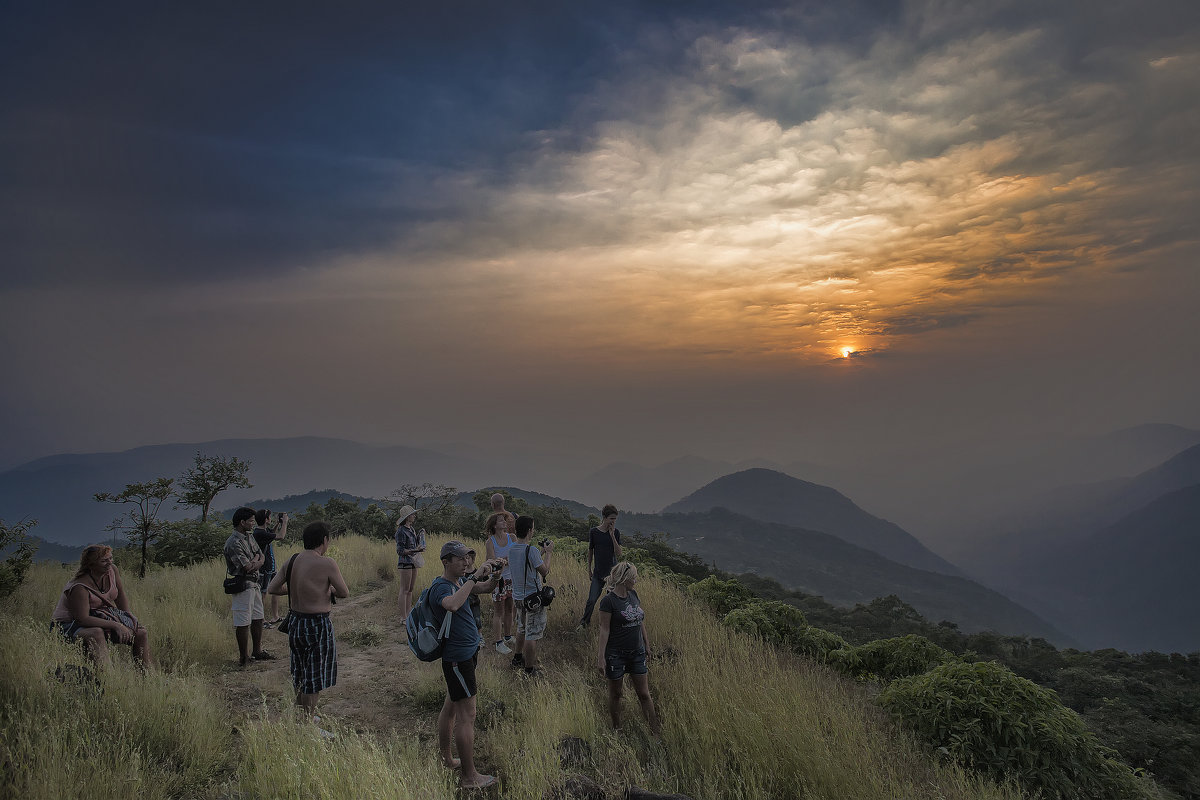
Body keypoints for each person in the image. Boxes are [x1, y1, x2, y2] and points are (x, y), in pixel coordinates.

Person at [431, 540, 499, 790]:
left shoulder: (458, 582)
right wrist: (473, 577)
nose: (467, 562)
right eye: (460, 558)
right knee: (467, 715)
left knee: (451, 707)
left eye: (469, 558)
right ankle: (470, 778)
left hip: (466, 653)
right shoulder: (441, 587)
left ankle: (447, 759)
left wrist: (495, 574)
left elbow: (485, 587)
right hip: (458, 659)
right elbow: (452, 604)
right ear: (446, 561)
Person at [266, 520, 349, 720]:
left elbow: (273, 588)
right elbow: (344, 592)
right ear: (324, 540)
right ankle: (308, 724)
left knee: (300, 672)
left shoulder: (292, 560)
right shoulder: (327, 563)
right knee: (314, 676)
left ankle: (301, 716)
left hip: (295, 622)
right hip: (317, 624)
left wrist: (296, 590)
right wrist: (327, 590)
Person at [50, 544, 152, 668]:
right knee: (96, 633)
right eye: (104, 561)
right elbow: (82, 619)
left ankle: (146, 675)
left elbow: (120, 595)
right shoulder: (79, 586)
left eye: (110, 558)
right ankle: (107, 678)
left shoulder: (112, 571)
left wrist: (127, 619)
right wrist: (117, 625)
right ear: (91, 564)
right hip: (68, 625)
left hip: (100, 616)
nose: (109, 563)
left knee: (140, 633)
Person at [596, 562, 660, 735]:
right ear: (624, 580)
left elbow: (640, 621)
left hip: (637, 652)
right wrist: (601, 657)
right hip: (616, 654)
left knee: (644, 694)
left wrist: (646, 644)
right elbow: (604, 629)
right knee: (616, 694)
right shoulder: (608, 602)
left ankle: (655, 732)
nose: (635, 581)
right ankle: (617, 728)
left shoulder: (633, 595)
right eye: (633, 578)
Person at [224, 506, 274, 667]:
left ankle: (257, 651)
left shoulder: (249, 537)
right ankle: (243, 657)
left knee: (258, 617)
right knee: (243, 620)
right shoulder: (233, 542)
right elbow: (247, 566)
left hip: (254, 582)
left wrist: (256, 561)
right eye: (251, 521)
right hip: (242, 584)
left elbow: (259, 555)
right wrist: (258, 561)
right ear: (242, 522)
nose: (253, 523)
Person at [508, 515, 553, 674]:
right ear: (529, 531)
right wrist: (548, 553)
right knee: (531, 634)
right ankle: (529, 669)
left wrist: (539, 552)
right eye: (533, 528)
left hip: (519, 598)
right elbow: (544, 570)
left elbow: (525, 562)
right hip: (533, 599)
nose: (533, 531)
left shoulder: (512, 548)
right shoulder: (531, 550)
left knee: (521, 628)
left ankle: (517, 657)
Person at [579, 504, 622, 629]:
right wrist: (589, 569)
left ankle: (611, 627)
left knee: (612, 603)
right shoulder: (594, 532)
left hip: (612, 575)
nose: (613, 522)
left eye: (615, 519)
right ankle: (584, 624)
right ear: (604, 517)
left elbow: (619, 553)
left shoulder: (616, 532)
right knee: (591, 600)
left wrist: (612, 535)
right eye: (611, 519)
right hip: (598, 573)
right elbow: (590, 550)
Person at [484, 509, 516, 654]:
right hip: (498, 579)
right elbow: (491, 561)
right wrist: (502, 563)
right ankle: (498, 642)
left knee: (510, 608)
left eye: (505, 519)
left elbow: (516, 556)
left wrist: (504, 562)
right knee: (498, 612)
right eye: (502, 520)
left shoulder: (512, 537)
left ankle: (508, 636)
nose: (505, 522)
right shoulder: (490, 542)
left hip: (512, 578)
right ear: (495, 525)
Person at [253, 509, 288, 627]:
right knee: (263, 593)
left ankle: (275, 616)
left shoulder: (263, 530)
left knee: (276, 589)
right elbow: (281, 536)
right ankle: (261, 620)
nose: (271, 518)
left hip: (270, 566)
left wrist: (278, 523)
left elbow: (271, 532)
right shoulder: (259, 533)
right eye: (269, 517)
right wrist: (285, 523)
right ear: (266, 519)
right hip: (264, 567)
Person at [394, 505, 423, 622]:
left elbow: (414, 544)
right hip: (405, 562)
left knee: (410, 589)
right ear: (407, 517)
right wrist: (415, 550)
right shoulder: (401, 531)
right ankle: (403, 617)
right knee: (404, 589)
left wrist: (421, 536)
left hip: (413, 561)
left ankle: (408, 614)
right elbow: (400, 551)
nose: (414, 516)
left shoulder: (411, 529)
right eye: (412, 514)